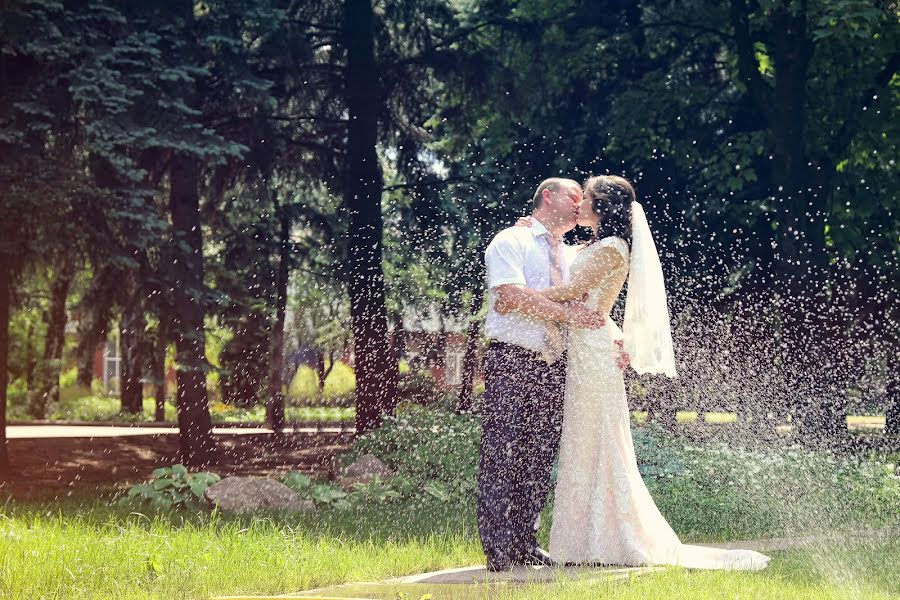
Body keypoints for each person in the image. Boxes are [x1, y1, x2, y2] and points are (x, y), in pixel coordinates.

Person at [522, 174, 770, 570]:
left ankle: (611, 540)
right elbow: (567, 275)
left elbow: (572, 292)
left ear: (601, 205)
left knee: (598, 442)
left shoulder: (613, 247)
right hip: (585, 349)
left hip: (593, 356)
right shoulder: (594, 245)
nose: (578, 204)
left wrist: (518, 296)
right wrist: (535, 231)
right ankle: (585, 542)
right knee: (583, 443)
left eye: (585, 198)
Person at [477, 177, 608, 572]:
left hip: (556, 364)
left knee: (539, 453)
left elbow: (593, 297)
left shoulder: (572, 256)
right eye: (574, 195)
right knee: (503, 450)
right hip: (513, 359)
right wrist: (568, 316)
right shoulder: (510, 241)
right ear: (547, 197)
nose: (581, 202)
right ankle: (498, 548)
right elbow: (510, 297)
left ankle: (525, 541)